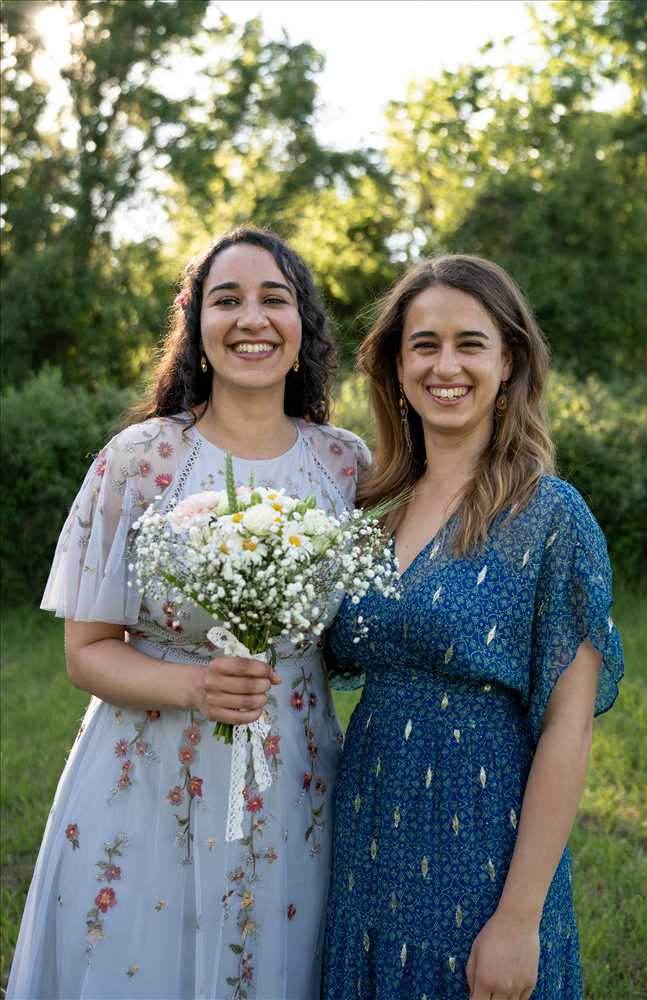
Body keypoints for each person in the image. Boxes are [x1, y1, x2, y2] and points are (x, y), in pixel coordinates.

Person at [8, 226, 370, 1000]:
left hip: (297, 773)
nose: (251, 319)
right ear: (196, 326)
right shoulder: (140, 460)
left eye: (274, 299)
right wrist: (195, 687)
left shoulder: (346, 464)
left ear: (302, 326)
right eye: (227, 300)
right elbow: (85, 652)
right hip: (149, 772)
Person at [322, 255, 623, 1000]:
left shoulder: (550, 517)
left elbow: (568, 729)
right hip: (366, 836)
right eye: (424, 345)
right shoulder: (369, 507)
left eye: (470, 344)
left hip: (486, 845)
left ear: (507, 361)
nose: (445, 366)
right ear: (397, 366)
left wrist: (518, 919)